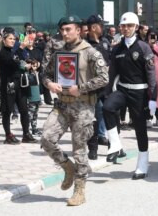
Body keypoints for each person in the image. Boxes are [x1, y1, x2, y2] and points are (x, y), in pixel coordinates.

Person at [41, 15, 109, 206]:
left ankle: (79, 190)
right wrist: (49, 84)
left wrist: (82, 88)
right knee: (46, 138)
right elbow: (45, 75)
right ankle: (67, 167)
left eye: (68, 29)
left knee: (79, 150)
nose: (64, 33)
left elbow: (104, 78)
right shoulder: (58, 52)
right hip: (62, 105)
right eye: (62, 30)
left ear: (78, 30)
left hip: (83, 107)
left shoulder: (91, 52)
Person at [102, 12, 156, 180]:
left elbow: (151, 74)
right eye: (123, 26)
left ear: (136, 28)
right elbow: (112, 73)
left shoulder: (144, 47)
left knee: (140, 129)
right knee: (108, 107)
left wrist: (153, 98)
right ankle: (116, 144)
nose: (126, 29)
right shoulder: (116, 48)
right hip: (123, 89)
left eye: (129, 26)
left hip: (140, 92)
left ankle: (142, 164)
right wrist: (108, 91)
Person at [0, 27, 37, 144]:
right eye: (10, 39)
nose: (13, 41)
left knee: (24, 109)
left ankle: (26, 134)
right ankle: (8, 135)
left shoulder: (15, 51)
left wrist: (31, 63)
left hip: (20, 83)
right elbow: (11, 62)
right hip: (8, 84)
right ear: (4, 40)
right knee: (7, 111)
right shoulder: (2, 53)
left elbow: (21, 61)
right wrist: (21, 48)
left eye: (14, 39)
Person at [85, 14, 111, 160]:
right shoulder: (84, 45)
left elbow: (110, 60)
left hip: (106, 88)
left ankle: (113, 147)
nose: (103, 27)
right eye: (101, 24)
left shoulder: (105, 42)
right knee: (92, 120)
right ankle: (92, 149)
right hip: (92, 88)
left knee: (109, 115)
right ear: (94, 27)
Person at [145, 28, 158, 127]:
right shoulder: (144, 46)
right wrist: (148, 45)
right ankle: (149, 117)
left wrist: (153, 46)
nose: (152, 37)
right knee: (149, 95)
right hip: (147, 72)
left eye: (154, 35)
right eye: (150, 35)